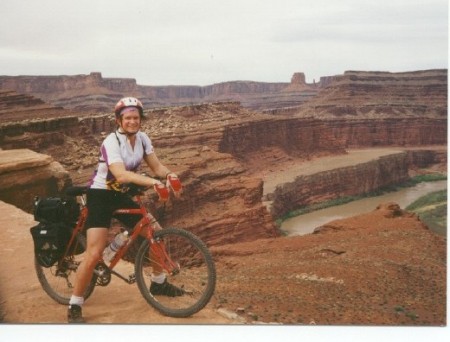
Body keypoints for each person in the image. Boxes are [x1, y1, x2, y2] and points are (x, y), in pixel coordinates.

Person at [68, 97, 184, 323]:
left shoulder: (142, 139)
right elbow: (120, 174)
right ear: (119, 120)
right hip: (101, 196)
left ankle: (158, 283)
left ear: (141, 119)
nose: (132, 121)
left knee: (156, 235)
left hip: (121, 195)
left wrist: (169, 175)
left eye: (136, 118)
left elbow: (157, 166)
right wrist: (152, 183)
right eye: (128, 118)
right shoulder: (111, 141)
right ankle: (75, 303)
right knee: (94, 253)